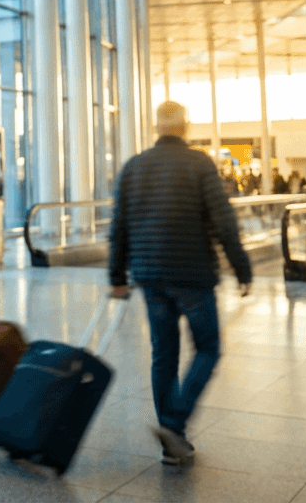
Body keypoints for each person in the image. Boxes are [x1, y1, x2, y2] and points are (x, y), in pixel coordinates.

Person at [108, 100, 252, 467]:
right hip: (192, 275)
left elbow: (118, 228)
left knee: (164, 355)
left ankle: (171, 439)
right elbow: (223, 221)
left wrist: (117, 277)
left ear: (157, 128)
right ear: (185, 127)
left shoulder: (133, 167)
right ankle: (174, 424)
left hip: (150, 276)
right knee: (207, 348)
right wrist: (242, 269)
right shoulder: (199, 164)